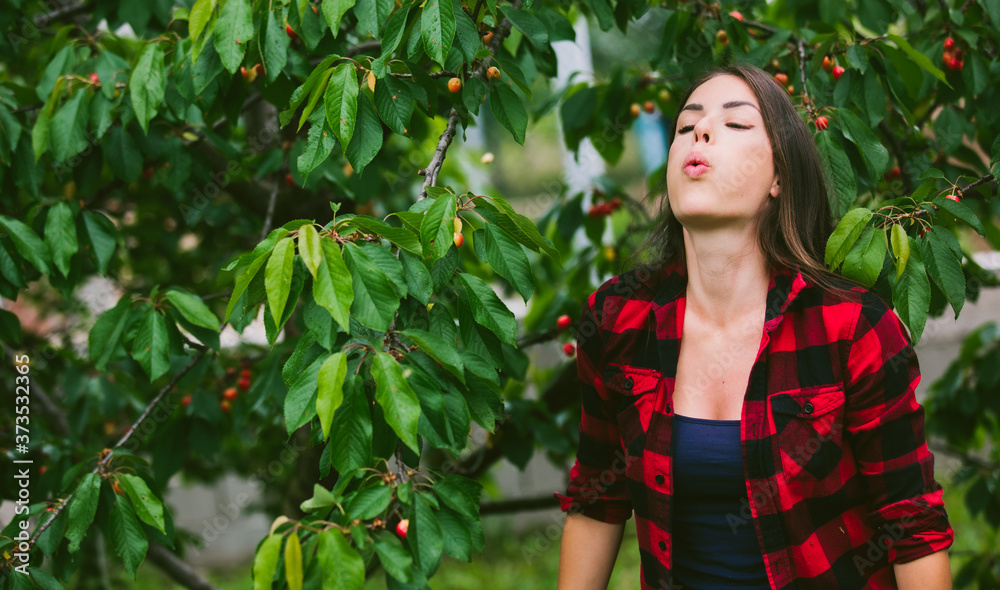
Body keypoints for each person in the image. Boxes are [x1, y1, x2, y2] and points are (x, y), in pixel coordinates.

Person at [553, 63, 954, 590]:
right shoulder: (619, 320)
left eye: (736, 124)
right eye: (685, 126)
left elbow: (913, 528)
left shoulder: (852, 328)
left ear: (779, 178)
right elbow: (595, 504)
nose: (699, 131)